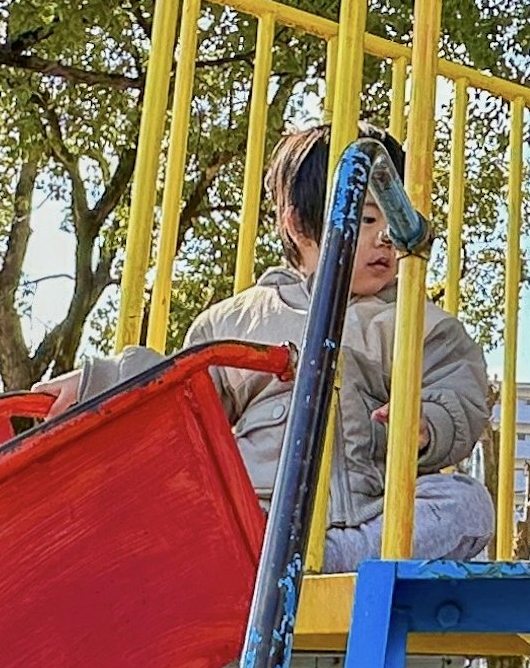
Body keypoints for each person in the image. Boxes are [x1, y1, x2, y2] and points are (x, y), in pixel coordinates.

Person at [186, 125, 499, 566]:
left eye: (395, 217)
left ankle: (319, 563)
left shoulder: (415, 322)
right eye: (368, 219)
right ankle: (275, 558)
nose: (387, 236)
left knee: (468, 504)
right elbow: (179, 396)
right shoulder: (241, 320)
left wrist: (427, 422)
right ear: (299, 226)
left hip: (373, 516)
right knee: (193, 511)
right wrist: (95, 382)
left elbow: (460, 392)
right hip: (266, 516)